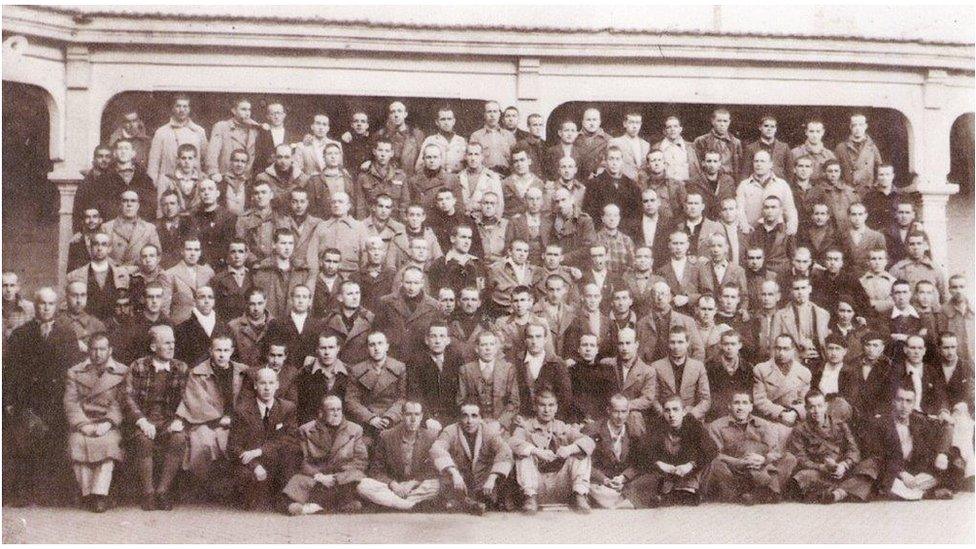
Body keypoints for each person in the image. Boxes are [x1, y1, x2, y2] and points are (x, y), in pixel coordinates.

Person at [3, 287, 80, 506]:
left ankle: (55, 495)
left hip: (58, 400)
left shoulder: (66, 334)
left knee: (57, 441)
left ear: (56, 306)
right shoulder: (21, 334)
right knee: (24, 440)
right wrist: (14, 404)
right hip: (29, 402)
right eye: (41, 303)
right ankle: (25, 494)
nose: (46, 308)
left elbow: (74, 371)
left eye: (50, 304)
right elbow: (11, 373)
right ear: (34, 306)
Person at [124, 325, 190, 511]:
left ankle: (162, 491)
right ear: (153, 347)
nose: (172, 346)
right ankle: (148, 493)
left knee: (178, 438)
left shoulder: (181, 368)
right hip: (144, 419)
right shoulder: (138, 366)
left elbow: (187, 397)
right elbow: (127, 396)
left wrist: (179, 419)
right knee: (143, 441)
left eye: (173, 343)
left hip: (169, 420)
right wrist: (141, 421)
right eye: (167, 343)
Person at [63, 332, 128, 513]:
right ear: (88, 350)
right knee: (76, 442)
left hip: (108, 423)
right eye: (94, 349)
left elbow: (121, 402)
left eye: (102, 349)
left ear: (110, 350)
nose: (97, 354)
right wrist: (83, 425)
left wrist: (108, 423)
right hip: (84, 421)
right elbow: (70, 402)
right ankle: (87, 493)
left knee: (109, 443)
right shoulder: (75, 372)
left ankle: (100, 494)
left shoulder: (122, 372)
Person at [174, 334, 249, 486]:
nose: (222, 355)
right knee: (204, 443)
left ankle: (229, 486)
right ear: (210, 351)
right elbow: (196, 401)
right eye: (218, 350)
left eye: (226, 350)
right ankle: (204, 484)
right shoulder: (198, 373)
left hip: (236, 421)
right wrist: (219, 419)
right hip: (205, 421)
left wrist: (233, 418)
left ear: (232, 351)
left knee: (237, 441)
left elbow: (247, 400)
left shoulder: (243, 372)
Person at [509, 390, 595, 514]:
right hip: (536, 484)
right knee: (524, 454)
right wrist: (536, 451)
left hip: (561, 483)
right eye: (542, 405)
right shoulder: (525, 427)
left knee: (581, 452)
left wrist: (569, 449)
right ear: (535, 407)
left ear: (556, 408)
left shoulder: (562, 427)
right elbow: (512, 443)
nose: (546, 410)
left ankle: (580, 495)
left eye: (551, 405)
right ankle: (530, 498)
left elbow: (589, 442)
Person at [280, 394, 367, 516]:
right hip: (316, 477)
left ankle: (316, 505)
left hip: (341, 478)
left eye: (339, 410)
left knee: (356, 478)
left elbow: (360, 461)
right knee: (297, 480)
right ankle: (335, 504)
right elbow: (303, 461)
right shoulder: (305, 430)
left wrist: (335, 477)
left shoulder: (355, 429)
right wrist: (319, 476)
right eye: (332, 410)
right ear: (321, 412)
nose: (336, 413)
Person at [706, 390, 798, 504]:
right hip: (736, 471)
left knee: (790, 458)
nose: (740, 407)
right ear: (729, 406)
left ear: (751, 407)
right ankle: (763, 492)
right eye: (736, 403)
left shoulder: (764, 424)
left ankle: (756, 494)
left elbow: (774, 451)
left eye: (745, 403)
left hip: (762, 467)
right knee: (715, 464)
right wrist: (739, 462)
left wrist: (764, 460)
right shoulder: (717, 426)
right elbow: (715, 454)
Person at [865, 385, 955, 500]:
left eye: (909, 401)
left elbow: (947, 426)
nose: (904, 406)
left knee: (945, 470)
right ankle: (927, 494)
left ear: (913, 404)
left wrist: (942, 453)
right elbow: (879, 456)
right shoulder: (881, 423)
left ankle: (911, 491)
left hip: (916, 472)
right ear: (893, 401)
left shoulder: (920, 420)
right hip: (893, 472)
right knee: (886, 481)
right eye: (900, 400)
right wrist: (901, 474)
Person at [227, 367, 299, 510]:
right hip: (254, 465)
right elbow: (234, 447)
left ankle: (285, 500)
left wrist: (260, 451)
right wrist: (255, 465)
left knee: (292, 453)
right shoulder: (242, 410)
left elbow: (290, 439)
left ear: (277, 385)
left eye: (271, 383)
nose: (267, 388)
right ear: (255, 385)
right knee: (252, 499)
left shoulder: (287, 408)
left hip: (277, 462)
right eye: (262, 383)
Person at [787, 390, 875, 503]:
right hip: (819, 473)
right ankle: (844, 491)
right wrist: (821, 467)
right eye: (812, 407)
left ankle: (836, 494)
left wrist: (844, 465)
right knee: (801, 477)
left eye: (819, 406)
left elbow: (854, 450)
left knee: (870, 466)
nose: (816, 411)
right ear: (806, 408)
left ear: (826, 406)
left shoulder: (840, 425)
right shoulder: (800, 430)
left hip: (843, 472)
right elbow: (800, 458)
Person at [430, 401, 513, 515]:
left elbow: (505, 451)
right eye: (465, 416)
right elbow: (436, 448)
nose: (469, 421)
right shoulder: (450, 430)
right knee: (444, 483)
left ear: (480, 418)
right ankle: (466, 503)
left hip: (483, 481)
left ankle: (473, 503)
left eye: (474, 416)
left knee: (497, 490)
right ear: (459, 417)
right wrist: (454, 473)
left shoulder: (489, 432)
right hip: (459, 481)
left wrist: (492, 478)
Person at [356, 400, 441, 511]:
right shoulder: (387, 436)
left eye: (417, 414)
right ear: (402, 415)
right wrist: (393, 484)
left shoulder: (429, 437)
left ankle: (396, 503)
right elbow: (376, 470)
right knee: (363, 485)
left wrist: (412, 483)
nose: (413, 419)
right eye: (408, 414)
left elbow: (431, 470)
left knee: (436, 484)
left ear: (422, 416)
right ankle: (409, 505)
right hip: (392, 487)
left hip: (416, 487)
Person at [633, 394, 716, 506]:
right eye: (667, 410)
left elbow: (712, 449)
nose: (671, 415)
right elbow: (643, 449)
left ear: (684, 412)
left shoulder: (694, 425)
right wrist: (659, 463)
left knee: (710, 463)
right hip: (667, 469)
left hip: (688, 470)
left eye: (675, 410)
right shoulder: (657, 425)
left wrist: (691, 464)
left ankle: (684, 491)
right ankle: (673, 493)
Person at [583, 395, 644, 509]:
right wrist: (604, 480)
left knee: (651, 479)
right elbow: (585, 463)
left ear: (628, 411)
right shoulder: (593, 430)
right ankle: (623, 500)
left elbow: (638, 463)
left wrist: (623, 477)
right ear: (608, 410)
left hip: (622, 482)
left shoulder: (633, 432)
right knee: (587, 486)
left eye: (623, 412)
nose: (620, 417)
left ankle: (618, 499)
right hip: (601, 482)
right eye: (616, 412)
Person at [345, 331, 407, 439]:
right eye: (372, 345)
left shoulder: (399, 368)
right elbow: (351, 400)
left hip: (392, 421)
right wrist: (370, 418)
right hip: (366, 423)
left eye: (380, 343)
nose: (376, 348)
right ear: (367, 348)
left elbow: (403, 398)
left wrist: (389, 418)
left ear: (387, 346)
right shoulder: (357, 370)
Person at [374, 266, 441, 358]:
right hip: (393, 358)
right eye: (408, 283)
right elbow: (377, 332)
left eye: (416, 283)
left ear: (422, 283)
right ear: (401, 282)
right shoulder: (386, 302)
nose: (411, 287)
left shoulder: (434, 306)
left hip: (421, 359)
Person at [649, 325, 711, 424]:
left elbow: (706, 399)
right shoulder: (656, 366)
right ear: (668, 343)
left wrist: (691, 414)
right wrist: (666, 414)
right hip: (665, 419)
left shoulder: (698, 367)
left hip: (691, 418)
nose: (676, 346)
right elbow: (652, 398)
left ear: (687, 343)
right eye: (672, 342)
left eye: (680, 342)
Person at [405, 322, 463, 428]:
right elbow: (414, 393)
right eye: (433, 336)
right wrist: (427, 419)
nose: (437, 341)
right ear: (427, 340)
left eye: (442, 336)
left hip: (453, 418)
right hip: (427, 418)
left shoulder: (456, 361)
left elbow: (462, 393)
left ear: (448, 340)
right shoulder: (416, 362)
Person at [66, 231, 132, 322]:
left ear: (110, 248)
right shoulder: (74, 276)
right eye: (96, 244)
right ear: (90, 247)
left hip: (115, 328)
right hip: (86, 328)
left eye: (104, 244)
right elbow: (66, 306)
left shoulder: (122, 275)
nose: (99, 248)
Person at [635, 281, 705, 364]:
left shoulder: (687, 321)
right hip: (651, 372)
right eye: (656, 294)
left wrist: (691, 372)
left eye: (663, 294)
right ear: (651, 297)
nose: (660, 297)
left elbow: (699, 351)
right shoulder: (641, 324)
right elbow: (637, 355)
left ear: (670, 297)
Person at [752, 334, 812, 427]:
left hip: (793, 420)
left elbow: (805, 402)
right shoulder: (761, 369)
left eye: (786, 349)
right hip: (769, 420)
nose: (781, 353)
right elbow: (759, 400)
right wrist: (781, 413)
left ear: (793, 350)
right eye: (778, 348)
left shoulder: (804, 372)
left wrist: (795, 413)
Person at [147, 94, 208, 184]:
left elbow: (206, 158)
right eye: (178, 106)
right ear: (173, 108)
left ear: (189, 109)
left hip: (194, 183)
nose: (182, 110)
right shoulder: (161, 132)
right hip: (168, 183)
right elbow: (153, 162)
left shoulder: (199, 131)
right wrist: (154, 182)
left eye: (185, 106)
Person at [251, 229, 311, 320]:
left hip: (293, 323)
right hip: (270, 324)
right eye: (283, 243)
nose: (287, 247)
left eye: (290, 243)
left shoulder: (302, 271)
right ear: (274, 245)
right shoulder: (261, 271)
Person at [736, 149, 799, 235]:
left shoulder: (782, 184)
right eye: (756, 161)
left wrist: (792, 225)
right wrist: (744, 226)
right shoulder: (744, 185)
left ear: (770, 164)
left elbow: (790, 209)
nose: (759, 164)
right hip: (751, 233)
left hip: (776, 234)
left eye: (762, 161)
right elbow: (739, 209)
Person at [771, 277, 831, 365]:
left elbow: (828, 345)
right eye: (796, 289)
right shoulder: (780, 316)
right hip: (792, 366)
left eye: (803, 288)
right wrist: (798, 355)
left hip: (820, 364)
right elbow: (774, 348)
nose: (800, 292)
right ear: (791, 291)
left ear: (809, 289)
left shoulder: (823, 314)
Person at [584, 147, 642, 236]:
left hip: (626, 234)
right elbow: (590, 214)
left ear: (622, 161)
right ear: (605, 161)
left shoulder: (632, 185)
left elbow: (637, 214)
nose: (614, 163)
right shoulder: (594, 184)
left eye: (617, 159)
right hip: (602, 233)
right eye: (611, 159)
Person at [296, 332, 350, 424]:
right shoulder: (305, 373)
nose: (327, 352)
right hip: (313, 426)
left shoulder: (348, 373)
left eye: (331, 347)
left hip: (342, 425)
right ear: (317, 350)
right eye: (323, 348)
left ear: (338, 349)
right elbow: (302, 408)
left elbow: (350, 406)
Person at [354, 138, 410, 220]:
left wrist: (400, 225)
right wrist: (362, 226)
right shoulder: (363, 176)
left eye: (387, 151)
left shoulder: (400, 176)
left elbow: (405, 202)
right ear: (374, 151)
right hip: (371, 222)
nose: (383, 154)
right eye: (380, 150)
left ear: (392, 153)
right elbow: (360, 205)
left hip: (394, 222)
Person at [102, 190, 161, 266]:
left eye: (133, 201)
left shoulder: (149, 228)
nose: (129, 204)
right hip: (114, 273)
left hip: (140, 273)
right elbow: (100, 254)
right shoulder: (107, 227)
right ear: (120, 205)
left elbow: (157, 255)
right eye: (125, 201)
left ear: (138, 206)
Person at [165, 237, 216, 325]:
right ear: (182, 251)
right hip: (180, 325)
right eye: (189, 249)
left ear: (200, 253)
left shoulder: (208, 272)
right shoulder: (170, 274)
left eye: (196, 250)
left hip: (205, 324)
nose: (192, 253)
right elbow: (164, 308)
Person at [322, 280, 374, 366]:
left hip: (361, 372)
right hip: (336, 370)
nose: (355, 297)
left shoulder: (370, 319)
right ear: (340, 298)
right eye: (350, 294)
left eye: (357, 293)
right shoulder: (329, 320)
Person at [705, 330, 753, 421]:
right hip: (717, 413)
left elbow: (749, 394)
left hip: (741, 413)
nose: (729, 347)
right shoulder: (709, 366)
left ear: (740, 345)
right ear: (720, 345)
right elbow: (709, 395)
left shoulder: (748, 368)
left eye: (733, 344)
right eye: (726, 344)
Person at [174, 285, 227, 367]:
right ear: (195, 301)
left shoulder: (224, 326)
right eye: (202, 297)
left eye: (210, 297)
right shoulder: (182, 329)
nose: (206, 301)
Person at [890, 231, 949, 304]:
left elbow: (945, 295)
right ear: (907, 247)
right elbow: (889, 294)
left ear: (926, 246)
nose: (916, 247)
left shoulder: (934, 269)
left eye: (919, 243)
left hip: (931, 312)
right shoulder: (898, 269)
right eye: (912, 244)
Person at [834, 112, 884, 197]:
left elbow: (881, 169)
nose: (857, 128)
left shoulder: (872, 148)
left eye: (860, 125)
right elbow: (833, 170)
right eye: (854, 125)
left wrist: (874, 187)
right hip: (847, 194)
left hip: (867, 193)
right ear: (850, 127)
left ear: (865, 126)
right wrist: (842, 187)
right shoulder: (841, 148)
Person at [428, 224, 486, 296]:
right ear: (452, 239)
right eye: (463, 237)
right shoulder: (439, 265)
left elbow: (484, 294)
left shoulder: (478, 264)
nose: (467, 242)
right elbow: (435, 294)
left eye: (469, 238)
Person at [745, 195, 795, 275]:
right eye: (766, 207)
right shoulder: (754, 231)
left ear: (781, 210)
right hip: (758, 275)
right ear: (762, 210)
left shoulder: (787, 232)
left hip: (780, 276)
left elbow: (793, 258)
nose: (769, 211)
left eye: (773, 207)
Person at [255, 144, 310, 214]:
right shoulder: (263, 178)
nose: (283, 161)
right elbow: (257, 205)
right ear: (274, 157)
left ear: (292, 158)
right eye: (279, 157)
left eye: (287, 157)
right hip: (271, 219)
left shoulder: (303, 178)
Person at [809, 160, 861, 233]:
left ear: (840, 172)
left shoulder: (850, 191)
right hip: (827, 234)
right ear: (824, 173)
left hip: (848, 232)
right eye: (830, 171)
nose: (833, 174)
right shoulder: (816, 191)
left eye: (836, 171)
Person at [655, 231, 700, 316]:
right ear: (669, 245)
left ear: (687, 245)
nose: (678, 247)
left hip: (693, 314)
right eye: (675, 243)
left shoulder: (698, 267)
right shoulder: (661, 271)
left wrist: (688, 299)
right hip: (670, 315)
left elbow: (707, 293)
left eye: (681, 243)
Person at [375, 101, 425, 175]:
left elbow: (423, 160)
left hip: (409, 179)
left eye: (399, 111)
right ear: (389, 115)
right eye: (392, 112)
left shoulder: (417, 135)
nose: (396, 115)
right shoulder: (380, 134)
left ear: (405, 114)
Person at [72, 146, 115, 232]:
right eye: (100, 156)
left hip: (111, 228)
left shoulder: (115, 180)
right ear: (94, 159)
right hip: (91, 228)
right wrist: (78, 231)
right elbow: (78, 210)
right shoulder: (86, 183)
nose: (104, 160)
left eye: (107, 157)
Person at [306, 143, 354, 218]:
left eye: (336, 153)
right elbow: (311, 207)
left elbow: (352, 204)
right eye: (329, 154)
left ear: (340, 157)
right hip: (323, 222)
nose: (333, 156)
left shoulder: (347, 179)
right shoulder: (315, 180)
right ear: (324, 157)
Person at [253, 101, 303, 174]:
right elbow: (258, 160)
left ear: (284, 115)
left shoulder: (294, 137)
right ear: (268, 116)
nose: (276, 117)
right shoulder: (261, 136)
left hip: (289, 176)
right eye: (273, 114)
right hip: (267, 175)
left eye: (279, 113)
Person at [409, 144, 462, 213]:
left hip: (443, 220)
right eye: (428, 157)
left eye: (435, 157)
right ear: (423, 159)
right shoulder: (413, 180)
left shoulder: (451, 179)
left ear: (440, 158)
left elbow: (459, 206)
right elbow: (408, 205)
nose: (432, 160)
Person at [227, 288, 272, 367]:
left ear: (265, 302)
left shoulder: (275, 325)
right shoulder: (233, 326)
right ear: (246, 303)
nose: (256, 308)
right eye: (252, 304)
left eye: (260, 303)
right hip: (243, 374)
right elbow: (229, 357)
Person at [458, 142, 505, 217]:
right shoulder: (459, 177)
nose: (473, 158)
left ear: (482, 157)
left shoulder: (492, 177)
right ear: (465, 156)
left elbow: (499, 206)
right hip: (463, 222)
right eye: (470, 154)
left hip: (484, 223)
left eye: (476, 154)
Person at [840, 202, 887, 276]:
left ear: (866, 216)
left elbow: (883, 260)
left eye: (860, 214)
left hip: (870, 277)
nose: (857, 218)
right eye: (854, 214)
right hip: (848, 277)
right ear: (848, 216)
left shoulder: (877, 236)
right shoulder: (842, 236)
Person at [211, 239, 253, 321]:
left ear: (246, 255)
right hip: (227, 327)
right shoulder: (218, 279)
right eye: (233, 252)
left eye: (241, 251)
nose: (237, 256)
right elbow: (213, 309)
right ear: (228, 255)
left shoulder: (253, 277)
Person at [416, 105, 467, 174]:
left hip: (458, 180)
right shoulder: (430, 140)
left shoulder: (462, 141)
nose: (446, 122)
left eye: (449, 119)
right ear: (437, 122)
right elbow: (419, 167)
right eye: (443, 119)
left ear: (454, 121)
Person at [693, 108, 743, 178]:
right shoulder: (701, 141)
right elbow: (696, 167)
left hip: (728, 181)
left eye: (725, 121)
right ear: (713, 121)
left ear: (729, 122)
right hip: (707, 180)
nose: (722, 124)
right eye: (719, 121)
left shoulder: (735, 142)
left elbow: (738, 168)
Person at [688, 150, 737, 220]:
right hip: (703, 223)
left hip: (724, 222)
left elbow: (733, 203)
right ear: (703, 163)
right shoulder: (694, 183)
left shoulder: (728, 181)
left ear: (720, 163)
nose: (712, 165)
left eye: (715, 161)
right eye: (709, 161)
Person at [741, 115, 793, 181]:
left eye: (772, 126)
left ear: (776, 129)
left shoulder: (784, 147)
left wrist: (786, 188)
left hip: (778, 186)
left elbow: (790, 172)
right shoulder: (751, 148)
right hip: (757, 185)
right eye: (766, 126)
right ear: (760, 127)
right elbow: (745, 173)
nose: (769, 129)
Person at [939, 274, 975, 365]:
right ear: (949, 290)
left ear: (966, 288)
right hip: (956, 360)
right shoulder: (943, 310)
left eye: (961, 287)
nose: (958, 291)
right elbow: (942, 337)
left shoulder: (973, 308)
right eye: (954, 287)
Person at [501, 146, 546, 218]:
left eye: (522, 160)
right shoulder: (505, 184)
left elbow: (543, 209)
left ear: (529, 161)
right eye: (516, 161)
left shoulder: (539, 184)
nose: (519, 164)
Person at [655, 115, 700, 183]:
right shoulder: (657, 147)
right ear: (664, 131)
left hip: (686, 187)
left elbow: (696, 171)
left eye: (675, 126)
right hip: (665, 188)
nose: (672, 129)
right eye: (669, 127)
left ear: (680, 129)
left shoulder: (690, 147)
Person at [573, 108, 611, 179]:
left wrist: (597, 173)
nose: (592, 123)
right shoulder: (574, 138)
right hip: (576, 180)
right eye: (588, 120)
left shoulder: (609, 140)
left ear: (599, 122)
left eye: (594, 120)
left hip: (599, 181)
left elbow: (610, 163)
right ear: (582, 122)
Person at [2, 271, 34, 340]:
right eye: (4, 286)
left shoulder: (30, 308)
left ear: (17, 288)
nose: (8, 290)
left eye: (12, 285)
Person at [339, 110, 371, 176]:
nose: (359, 124)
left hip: (366, 177)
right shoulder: (345, 140)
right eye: (356, 121)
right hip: (348, 176)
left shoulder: (372, 140)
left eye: (363, 121)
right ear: (352, 125)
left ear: (367, 125)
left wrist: (370, 162)